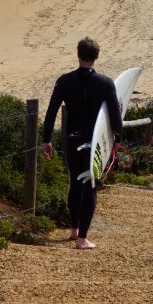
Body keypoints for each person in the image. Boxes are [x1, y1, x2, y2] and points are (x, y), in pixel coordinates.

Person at [42, 36, 122, 250]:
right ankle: (82, 239)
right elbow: (115, 118)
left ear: (78, 55)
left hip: (72, 140)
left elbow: (51, 112)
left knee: (75, 183)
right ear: (96, 56)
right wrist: (116, 141)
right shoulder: (106, 83)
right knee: (90, 186)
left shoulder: (64, 81)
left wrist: (46, 140)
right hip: (93, 142)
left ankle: (74, 230)